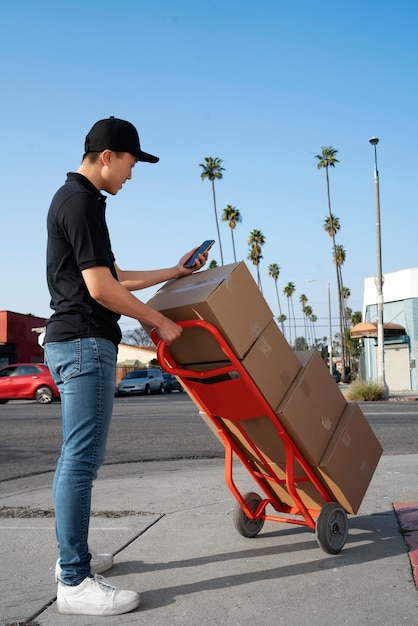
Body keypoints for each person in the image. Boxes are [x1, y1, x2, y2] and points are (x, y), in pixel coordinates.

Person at [44, 116, 207, 616]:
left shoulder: (78, 200)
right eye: (132, 164)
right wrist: (158, 320)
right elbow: (101, 290)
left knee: (78, 459)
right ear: (108, 156)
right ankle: (74, 581)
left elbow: (112, 275)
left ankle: (73, 559)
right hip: (85, 342)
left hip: (75, 341)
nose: (132, 176)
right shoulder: (81, 202)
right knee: (81, 461)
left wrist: (174, 272)